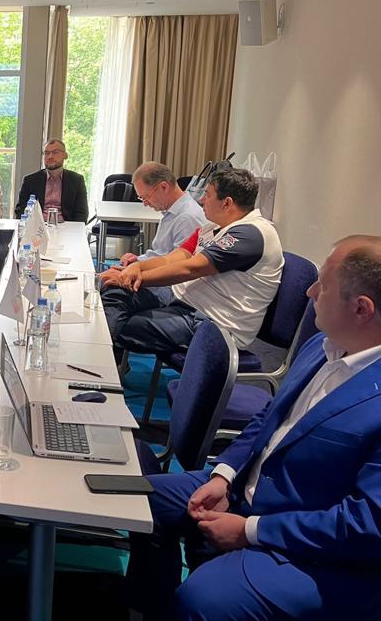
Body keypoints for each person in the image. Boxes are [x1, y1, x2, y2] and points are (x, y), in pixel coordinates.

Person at [127, 234, 381, 621]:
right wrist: (224, 475)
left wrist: (251, 529)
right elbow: (268, 417)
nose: (310, 292)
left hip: (312, 548)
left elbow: (366, 526)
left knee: (203, 600)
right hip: (247, 491)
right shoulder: (322, 346)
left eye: (323, 285)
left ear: (361, 308)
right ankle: (151, 608)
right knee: (141, 502)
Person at [101, 168, 282, 353]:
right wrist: (136, 267)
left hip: (213, 324)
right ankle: (102, 363)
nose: (202, 200)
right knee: (114, 294)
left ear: (227, 203)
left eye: (207, 195)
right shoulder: (212, 227)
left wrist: (130, 278)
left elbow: (191, 269)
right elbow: (175, 258)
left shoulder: (251, 233)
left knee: (119, 323)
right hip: (185, 300)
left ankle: (99, 363)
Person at [102, 162, 206, 273]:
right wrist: (139, 260)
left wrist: (136, 270)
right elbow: (161, 254)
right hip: (156, 272)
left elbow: (178, 269)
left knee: (109, 278)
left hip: (164, 279)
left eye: (146, 197)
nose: (145, 203)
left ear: (164, 187)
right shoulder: (173, 211)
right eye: (142, 198)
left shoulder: (187, 218)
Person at [14, 138, 88, 221]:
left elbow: (82, 214)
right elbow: (20, 210)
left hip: (66, 225)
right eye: (47, 153)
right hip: (38, 225)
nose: (50, 156)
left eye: (55, 152)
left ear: (65, 155)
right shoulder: (30, 181)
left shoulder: (76, 180)